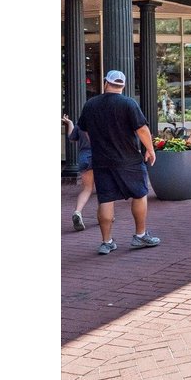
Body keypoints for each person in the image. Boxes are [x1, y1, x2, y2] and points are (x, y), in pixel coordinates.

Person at [76, 70, 161, 255]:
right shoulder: (128, 103)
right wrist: (150, 149)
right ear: (123, 85)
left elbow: (85, 130)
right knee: (139, 194)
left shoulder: (91, 104)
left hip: (101, 160)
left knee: (105, 199)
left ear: (106, 82)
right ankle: (140, 235)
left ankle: (106, 242)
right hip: (129, 159)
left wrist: (98, 145)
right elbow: (142, 129)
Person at [61, 113, 94, 230]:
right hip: (97, 157)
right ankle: (106, 215)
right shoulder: (99, 123)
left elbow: (71, 137)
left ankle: (77, 212)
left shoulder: (80, 124)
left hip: (83, 157)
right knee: (103, 188)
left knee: (87, 189)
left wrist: (69, 123)